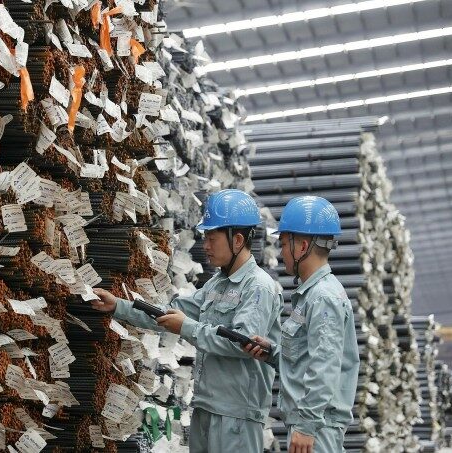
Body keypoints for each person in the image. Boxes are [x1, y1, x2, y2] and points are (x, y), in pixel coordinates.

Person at [91, 189, 282, 453]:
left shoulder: (259, 287)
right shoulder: (217, 285)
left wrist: (186, 327)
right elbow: (170, 312)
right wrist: (118, 306)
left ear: (237, 240)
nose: (205, 246)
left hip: (237, 415)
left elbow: (242, 342)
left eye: (212, 239)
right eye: (205, 238)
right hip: (206, 406)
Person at [245, 195, 360, 453]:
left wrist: (307, 425)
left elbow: (325, 365)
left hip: (317, 429)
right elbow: (309, 356)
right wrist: (272, 352)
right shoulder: (312, 295)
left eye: (284, 243)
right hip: (311, 424)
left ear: (302, 246)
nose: (281, 251)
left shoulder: (323, 298)